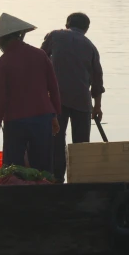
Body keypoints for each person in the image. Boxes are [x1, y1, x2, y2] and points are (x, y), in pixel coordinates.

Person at [0, 12, 61, 173]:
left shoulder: (3, 62)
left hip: (15, 122)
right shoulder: (40, 55)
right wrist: (54, 115)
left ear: (2, 40)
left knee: (13, 168)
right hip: (42, 118)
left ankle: (16, 195)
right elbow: (53, 88)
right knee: (43, 168)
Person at [41, 12, 105, 183]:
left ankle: (56, 178)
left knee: (56, 140)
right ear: (86, 29)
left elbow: (40, 59)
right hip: (82, 101)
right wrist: (97, 106)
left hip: (56, 100)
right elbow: (98, 79)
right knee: (81, 145)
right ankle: (79, 180)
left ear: (67, 24)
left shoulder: (54, 36)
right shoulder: (90, 46)